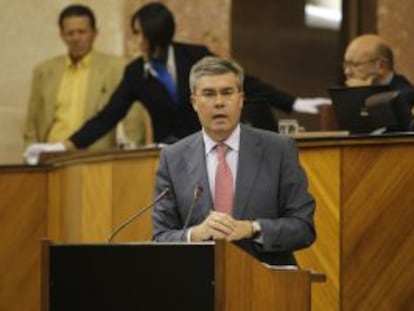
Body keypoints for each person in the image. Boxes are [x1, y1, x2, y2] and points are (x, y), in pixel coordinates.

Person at [24, 2, 329, 163]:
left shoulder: (194, 56)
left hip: (212, 150)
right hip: (171, 157)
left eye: (140, 34)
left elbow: (243, 80)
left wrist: (293, 103)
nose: (137, 40)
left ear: (155, 35)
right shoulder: (135, 73)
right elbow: (108, 116)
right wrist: (62, 145)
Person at [152, 56, 316, 265]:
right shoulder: (172, 158)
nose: (219, 102)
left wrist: (252, 228)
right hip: (200, 281)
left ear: (241, 99)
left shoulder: (279, 149)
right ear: (194, 102)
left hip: (266, 283)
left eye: (227, 93)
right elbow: (160, 237)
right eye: (209, 94)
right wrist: (196, 234)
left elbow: (303, 228)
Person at [23, 4, 151, 162]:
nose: (76, 38)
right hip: (51, 159)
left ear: (94, 33)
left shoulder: (116, 68)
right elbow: (32, 121)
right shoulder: (44, 71)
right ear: (62, 35)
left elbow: (133, 117)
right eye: (70, 33)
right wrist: (31, 155)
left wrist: (134, 155)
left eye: (82, 32)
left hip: (95, 159)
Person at [343, 34, 414, 111]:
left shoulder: (406, 97)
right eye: (346, 64)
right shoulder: (350, 92)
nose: (347, 72)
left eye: (356, 65)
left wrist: (363, 95)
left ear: (381, 66)